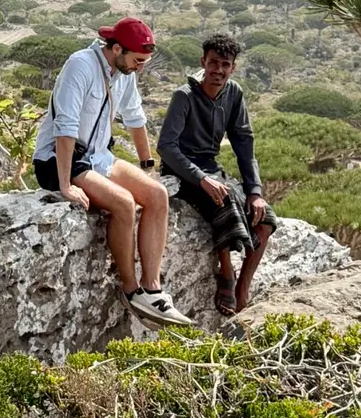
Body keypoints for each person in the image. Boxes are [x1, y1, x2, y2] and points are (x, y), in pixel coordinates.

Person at [32, 17, 192, 329]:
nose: (140, 68)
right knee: (124, 204)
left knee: (157, 195)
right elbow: (65, 127)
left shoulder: (123, 72)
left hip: (98, 157)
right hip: (60, 159)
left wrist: (147, 166)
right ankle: (131, 291)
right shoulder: (80, 66)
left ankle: (152, 290)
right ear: (116, 48)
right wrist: (65, 185)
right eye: (138, 60)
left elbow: (135, 117)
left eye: (144, 61)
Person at [158, 33, 277, 314]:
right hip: (181, 170)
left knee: (265, 219)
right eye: (213, 63)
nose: (218, 70)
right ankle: (226, 272)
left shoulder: (233, 93)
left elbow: (244, 142)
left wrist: (255, 191)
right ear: (203, 62)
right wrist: (201, 178)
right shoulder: (184, 96)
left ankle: (243, 287)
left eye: (225, 65)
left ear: (233, 67)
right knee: (225, 201)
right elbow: (166, 146)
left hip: (211, 166)